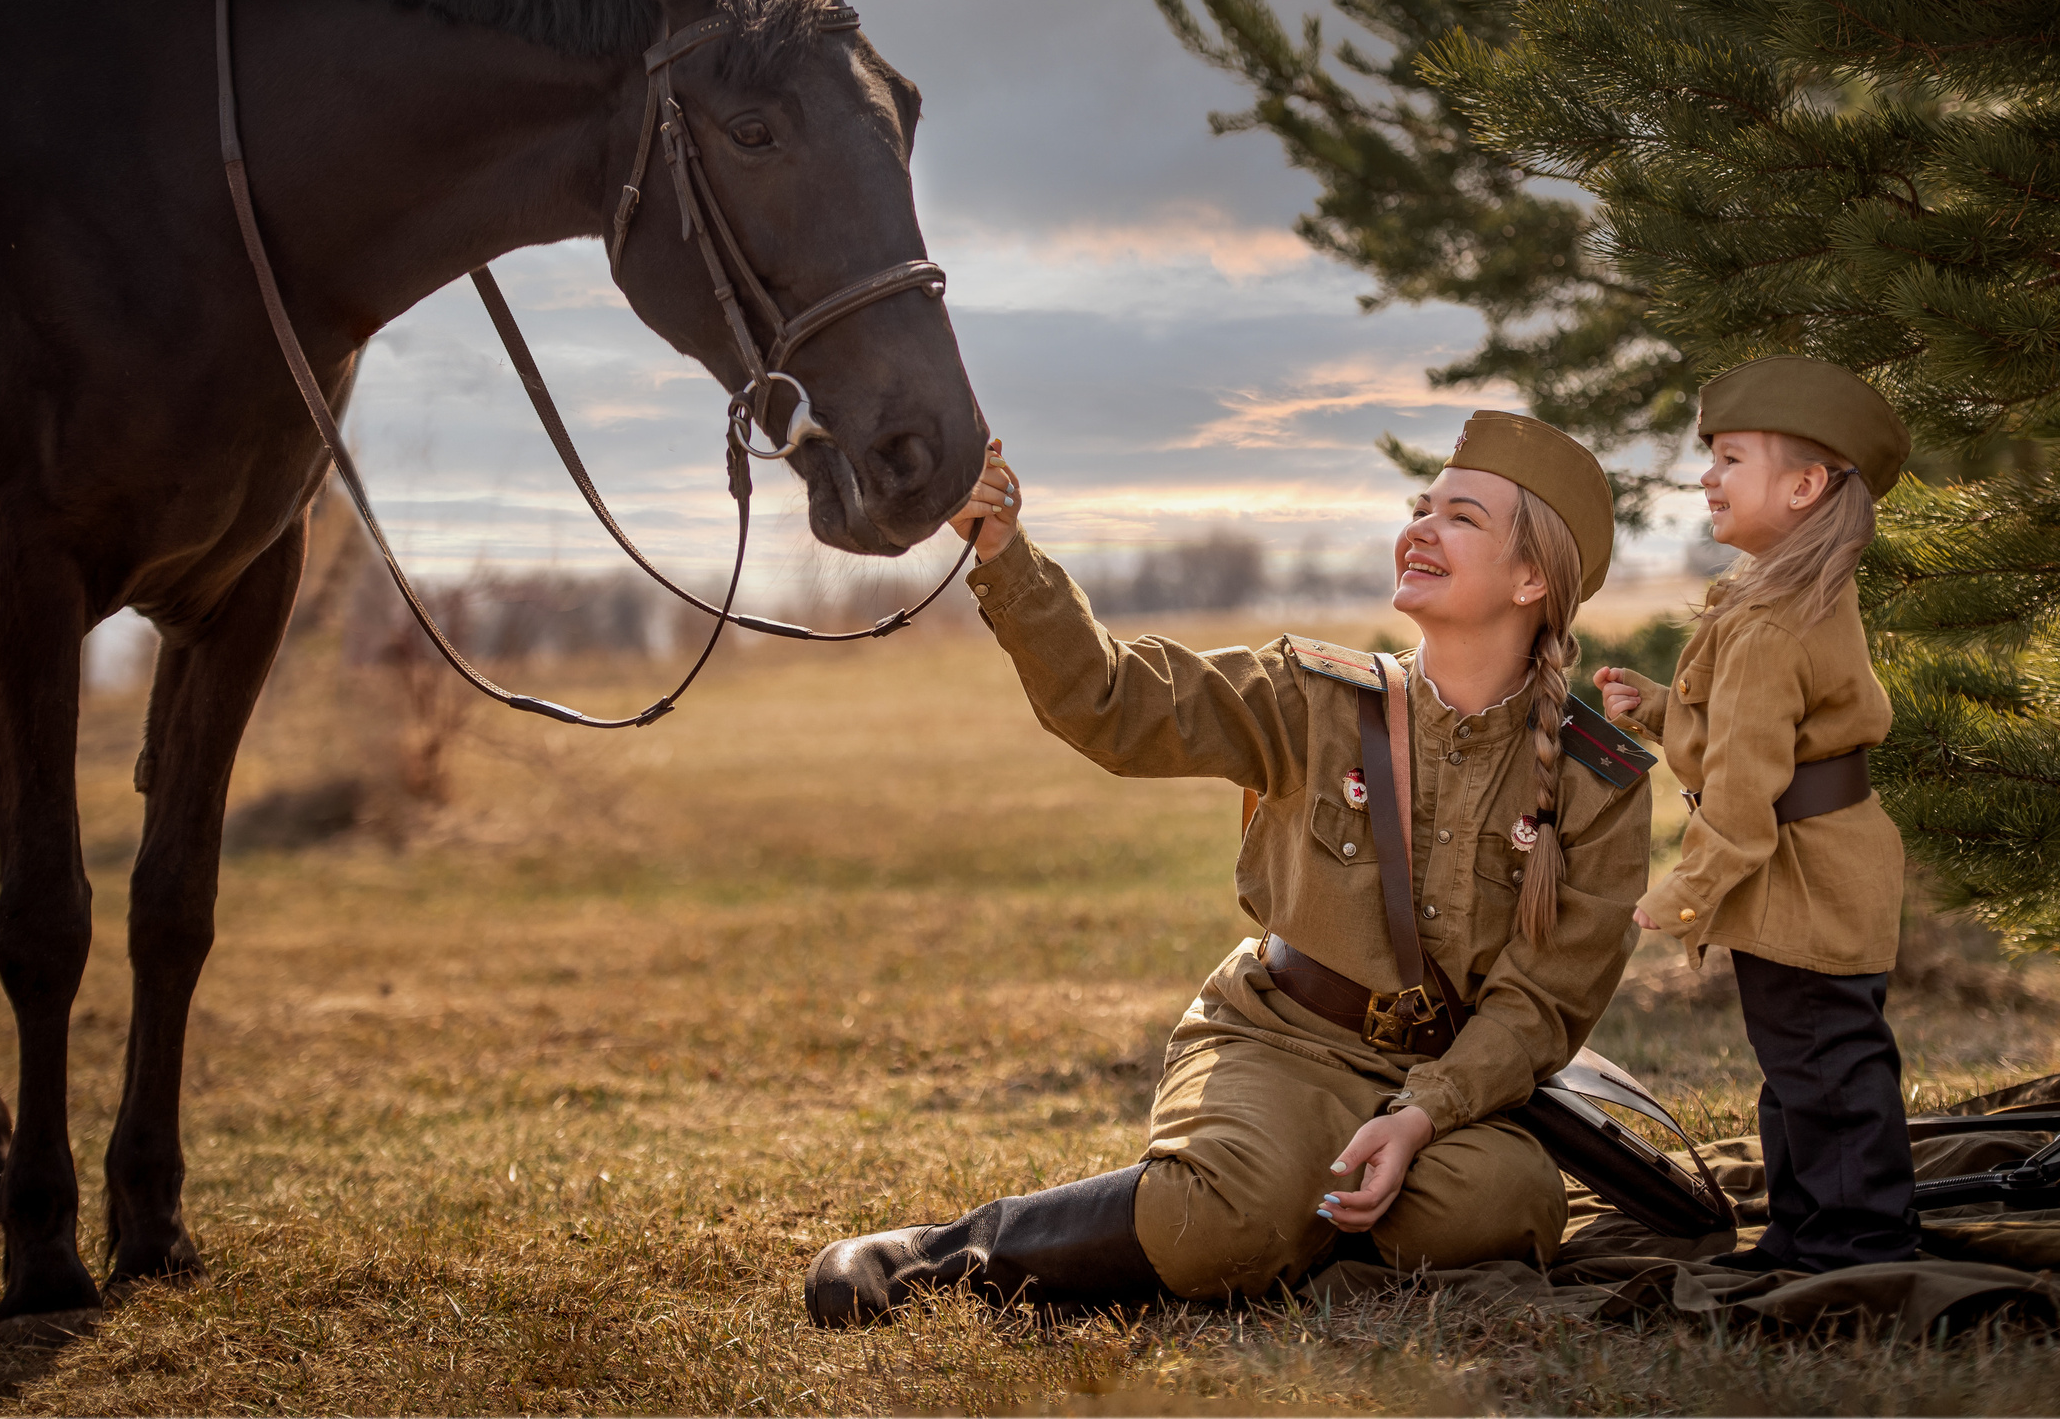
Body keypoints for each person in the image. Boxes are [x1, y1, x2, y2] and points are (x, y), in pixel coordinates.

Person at [806, 413, 1653, 1325]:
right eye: (1422, 507)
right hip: (1281, 1040)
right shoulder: (1313, 693)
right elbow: (1117, 701)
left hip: (1445, 1076)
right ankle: (939, 1253)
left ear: (1531, 579)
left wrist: (1422, 1113)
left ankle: (1285, 1220)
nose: (1420, 528)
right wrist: (1004, 551)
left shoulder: (1596, 781)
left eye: (1461, 517)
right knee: (1218, 1219)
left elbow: (1540, 1006)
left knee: (1503, 1207)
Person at [1594, 354, 1919, 1272]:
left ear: (1805, 486)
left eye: (1731, 459)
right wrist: (1663, 707)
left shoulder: (1772, 621)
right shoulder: (1784, 598)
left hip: (1801, 878)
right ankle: (1803, 1231)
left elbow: (1742, 790)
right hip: (1818, 867)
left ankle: (1859, 1247)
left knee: (1827, 1067)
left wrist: (1686, 892)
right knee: (1801, 1063)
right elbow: (1756, 730)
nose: (1708, 476)